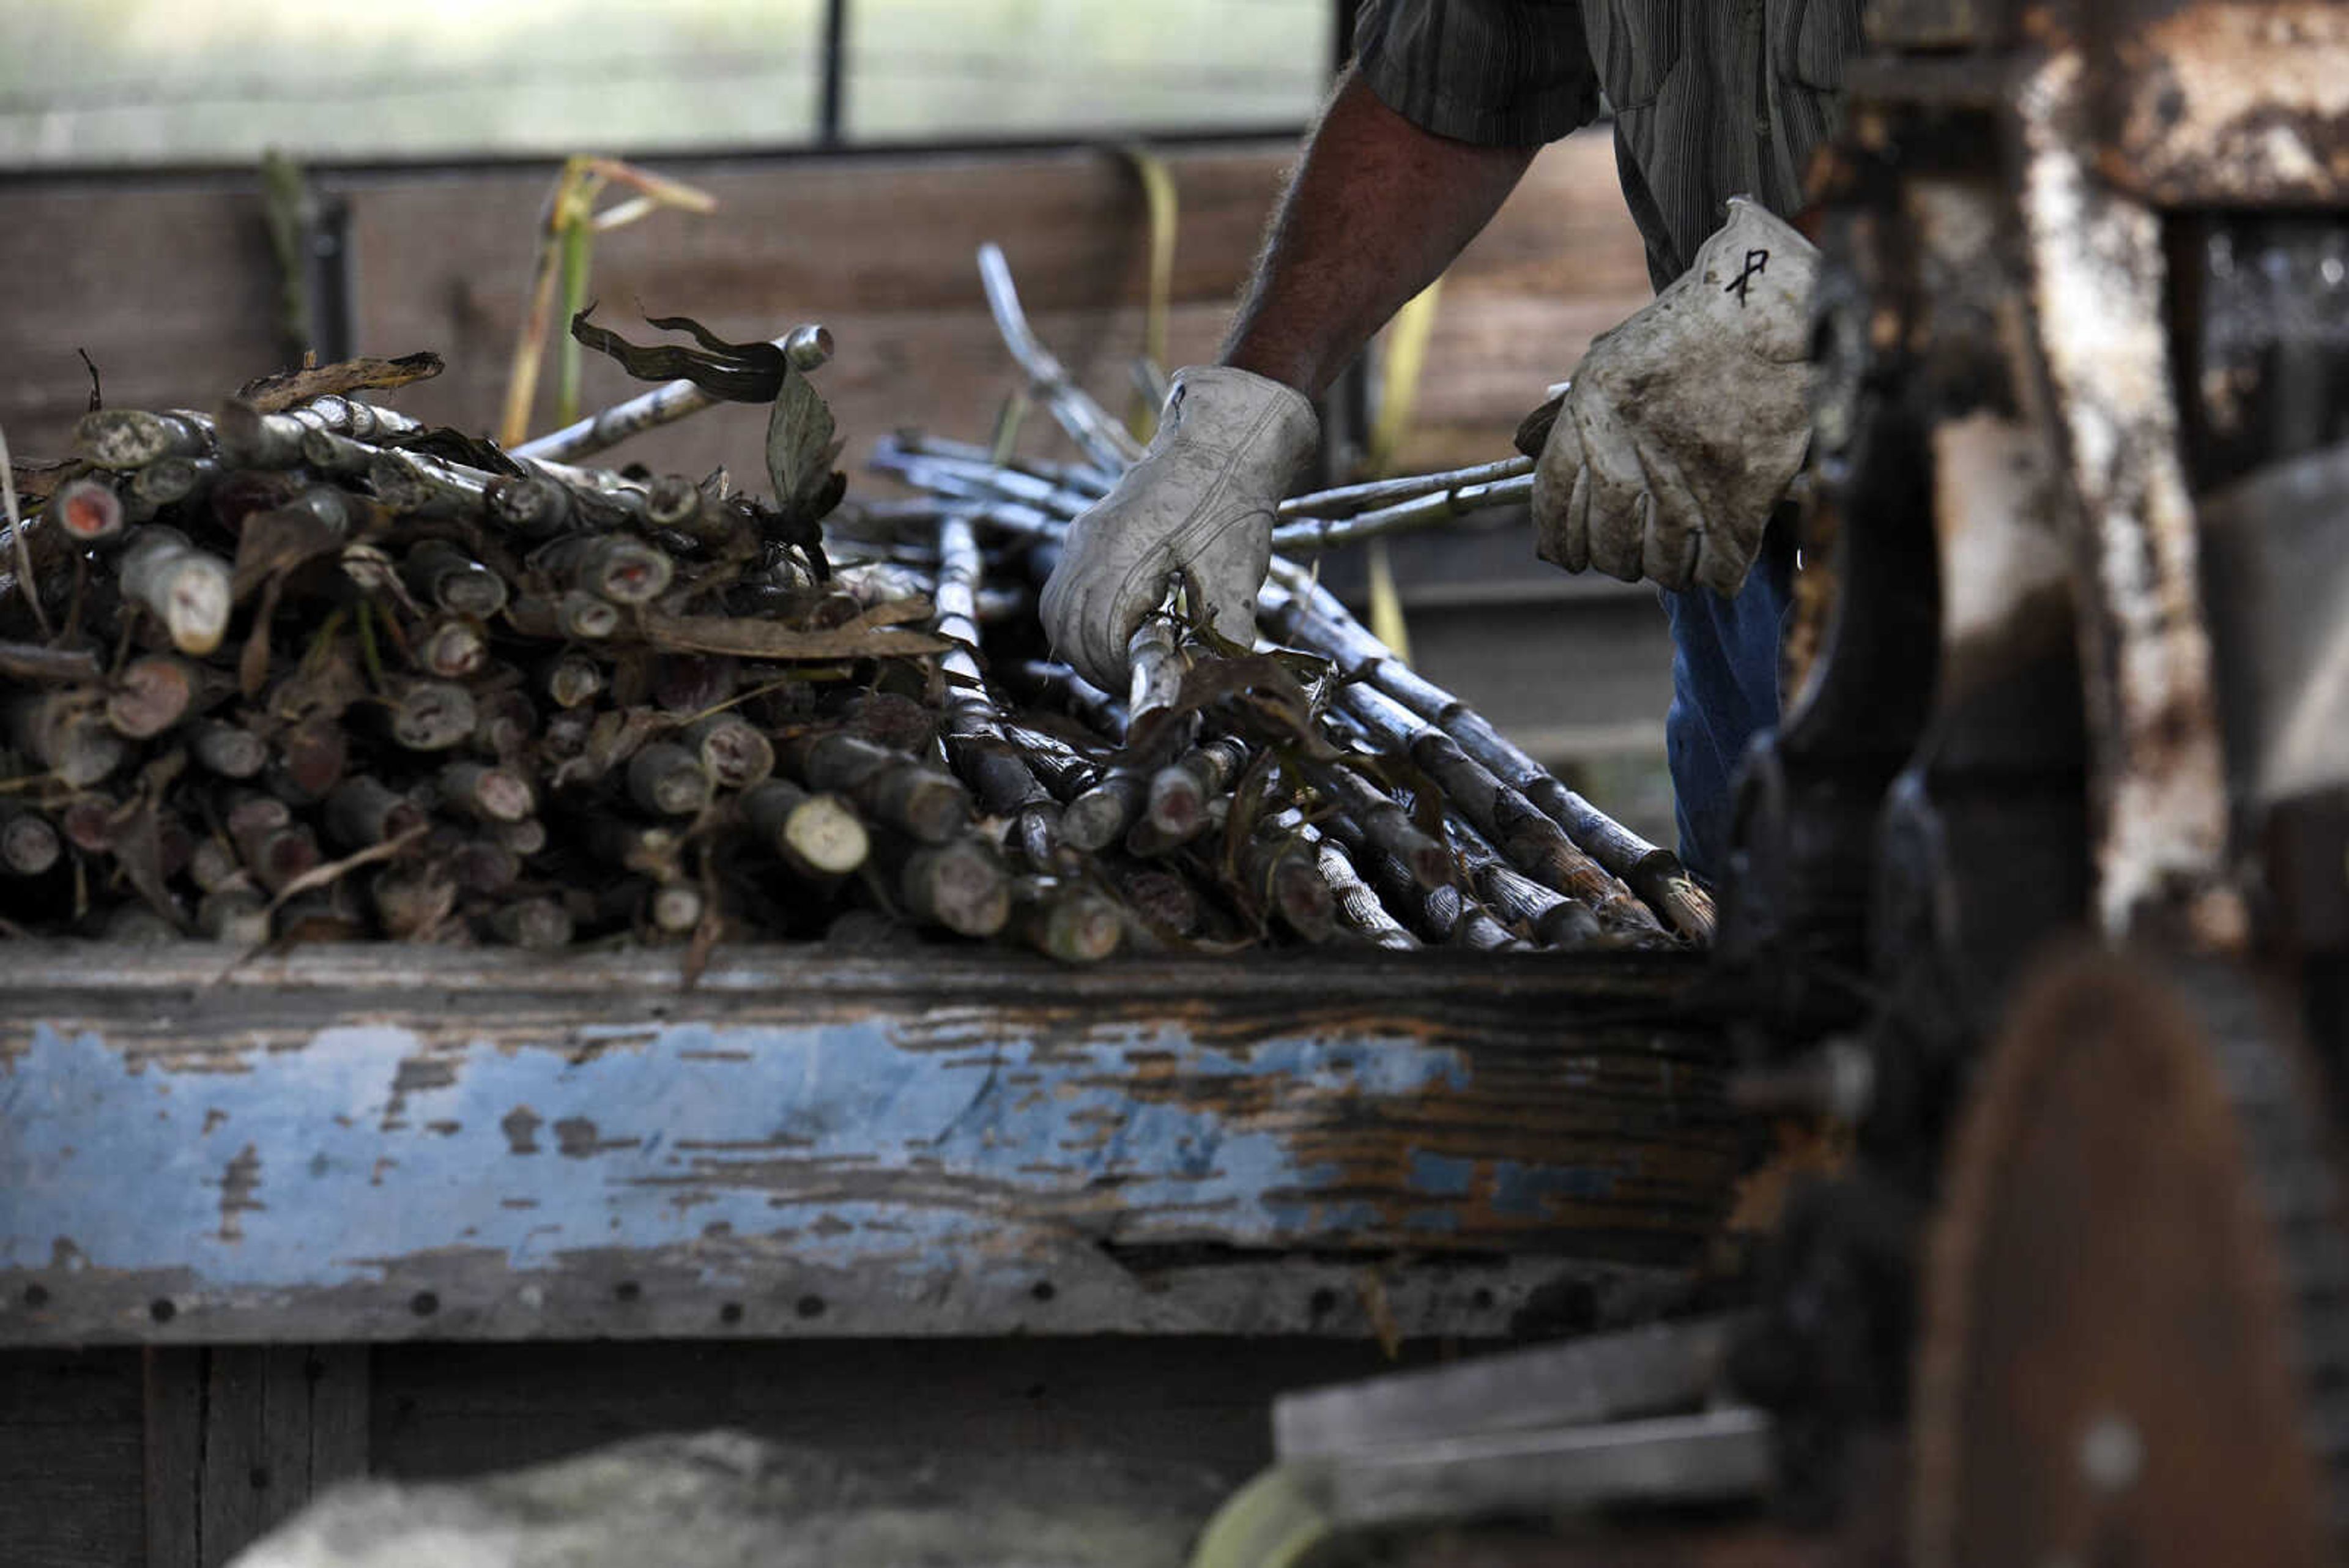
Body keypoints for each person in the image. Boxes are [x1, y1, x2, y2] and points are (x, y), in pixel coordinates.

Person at [1039, 0, 1865, 882]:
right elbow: (1455, 76)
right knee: (1769, 961)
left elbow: (2023, 119)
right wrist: (1243, 408)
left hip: (1987, 529)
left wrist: (1788, 308)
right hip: (1741, 541)